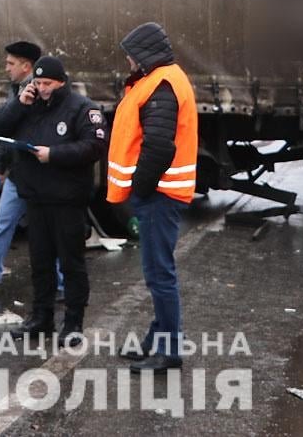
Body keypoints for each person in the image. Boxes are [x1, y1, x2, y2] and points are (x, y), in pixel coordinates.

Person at [0, 56, 107, 343]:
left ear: (62, 82)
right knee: (40, 263)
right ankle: (41, 318)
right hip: (36, 198)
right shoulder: (29, 106)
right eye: (38, 83)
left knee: (71, 263)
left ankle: (73, 323)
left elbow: (94, 145)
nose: (42, 88)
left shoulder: (81, 108)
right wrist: (19, 102)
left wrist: (53, 155)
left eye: (47, 84)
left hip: (67, 199)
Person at [107, 22, 198, 373]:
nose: (128, 60)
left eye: (130, 54)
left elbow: (159, 146)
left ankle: (169, 352)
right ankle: (156, 339)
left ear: (144, 53)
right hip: (160, 193)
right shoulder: (159, 80)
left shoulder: (161, 84)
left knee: (160, 274)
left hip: (160, 195)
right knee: (158, 272)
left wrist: (141, 189)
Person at [0, 41, 62, 293]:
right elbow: (4, 130)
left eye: (10, 63)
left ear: (26, 66)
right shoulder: (16, 90)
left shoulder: (42, 93)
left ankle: (62, 283)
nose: (6, 68)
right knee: (3, 223)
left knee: (50, 230)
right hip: (18, 173)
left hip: (40, 175)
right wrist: (0, 165)